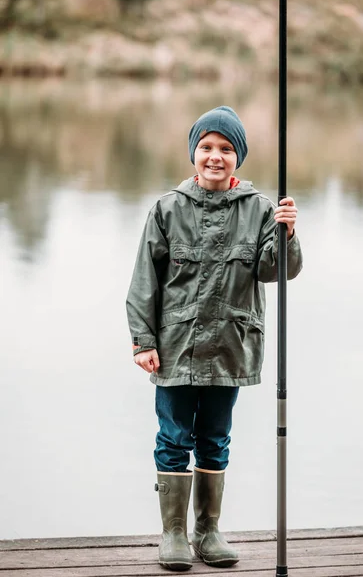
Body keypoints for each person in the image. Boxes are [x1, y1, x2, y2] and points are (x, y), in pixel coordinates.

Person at [126, 106, 303, 572]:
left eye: (226, 149)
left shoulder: (262, 209)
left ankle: (208, 531)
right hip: (175, 349)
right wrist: (143, 341)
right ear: (193, 154)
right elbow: (144, 281)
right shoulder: (166, 209)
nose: (215, 157)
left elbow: (275, 271)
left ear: (238, 157)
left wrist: (287, 232)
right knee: (173, 437)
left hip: (230, 349)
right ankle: (174, 535)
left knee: (216, 438)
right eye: (206, 147)